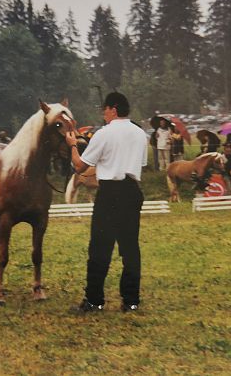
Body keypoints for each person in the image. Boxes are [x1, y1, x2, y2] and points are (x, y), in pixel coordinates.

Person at [64, 91, 147, 313]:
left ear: (113, 109)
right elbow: (139, 163)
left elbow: (80, 167)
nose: (104, 115)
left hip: (110, 192)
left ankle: (94, 300)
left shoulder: (104, 133)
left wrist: (72, 145)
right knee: (130, 248)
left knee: (100, 248)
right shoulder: (140, 134)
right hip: (132, 190)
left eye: (105, 110)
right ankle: (131, 301)